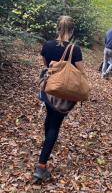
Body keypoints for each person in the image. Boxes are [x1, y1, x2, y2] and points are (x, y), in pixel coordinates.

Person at [34, 15, 84, 180]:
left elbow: (46, 65)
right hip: (64, 93)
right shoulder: (74, 50)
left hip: (48, 89)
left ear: (57, 27)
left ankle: (48, 142)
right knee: (55, 124)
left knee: (49, 117)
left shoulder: (47, 45)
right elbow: (80, 73)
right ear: (72, 30)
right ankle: (41, 166)